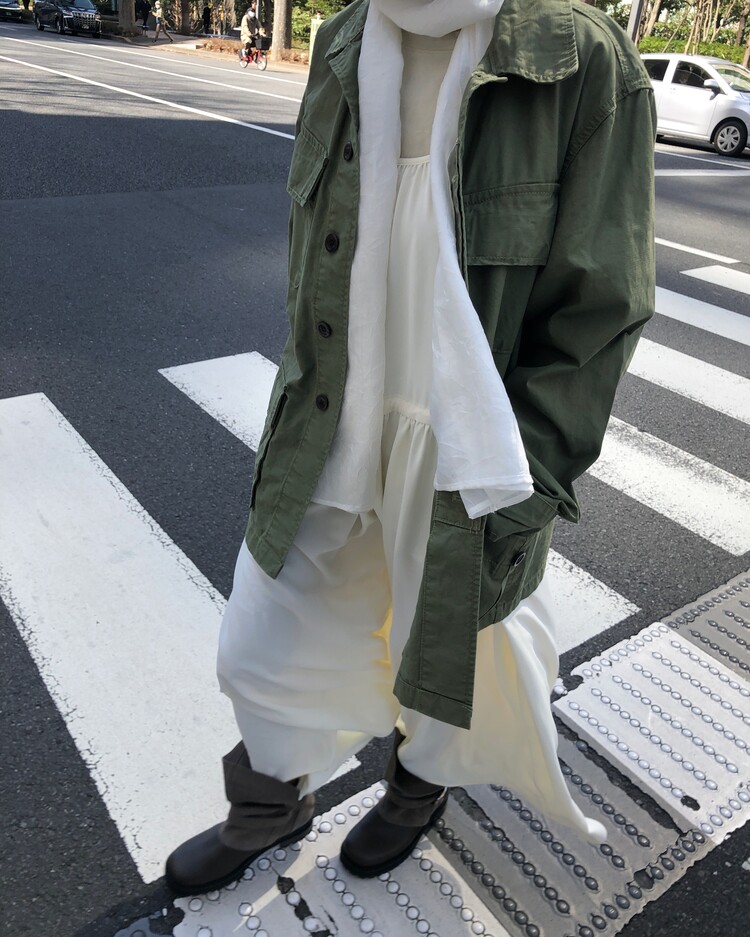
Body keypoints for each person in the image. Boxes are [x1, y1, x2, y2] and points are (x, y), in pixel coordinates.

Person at [165, 0, 656, 897]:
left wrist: (531, 479)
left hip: (468, 437)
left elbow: (600, 308)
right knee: (262, 639)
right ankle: (269, 802)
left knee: (449, 652)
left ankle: (417, 784)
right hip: (335, 412)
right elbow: (314, 247)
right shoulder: (345, 38)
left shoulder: (578, 57)